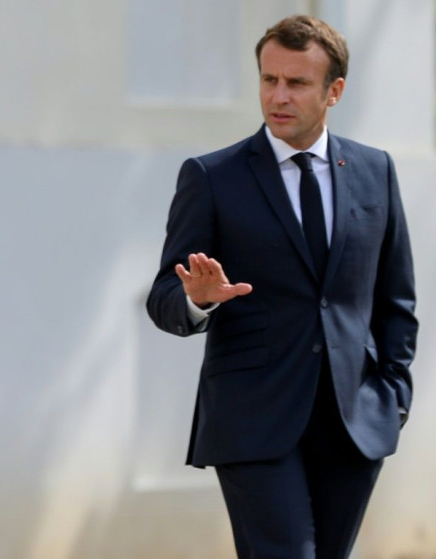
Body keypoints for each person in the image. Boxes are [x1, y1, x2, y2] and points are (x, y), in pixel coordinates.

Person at [146, 14, 417, 559]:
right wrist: (198, 299)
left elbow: (396, 300)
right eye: (269, 80)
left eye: (296, 83)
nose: (279, 96)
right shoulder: (212, 176)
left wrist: (393, 396)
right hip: (253, 419)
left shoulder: (375, 170)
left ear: (333, 91)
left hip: (354, 419)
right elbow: (164, 297)